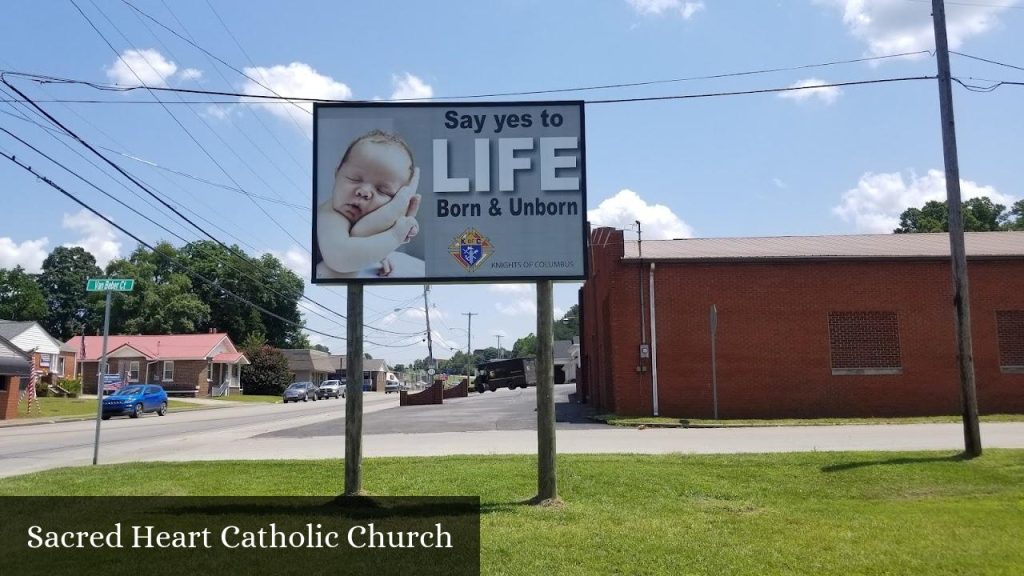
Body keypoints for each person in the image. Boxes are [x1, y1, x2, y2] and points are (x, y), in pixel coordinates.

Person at [316, 130, 424, 278]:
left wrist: (379, 253)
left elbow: (363, 234)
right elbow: (340, 258)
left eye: (382, 190)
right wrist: (394, 236)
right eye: (354, 178)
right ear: (337, 174)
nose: (364, 191)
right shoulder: (330, 214)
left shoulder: (365, 216)